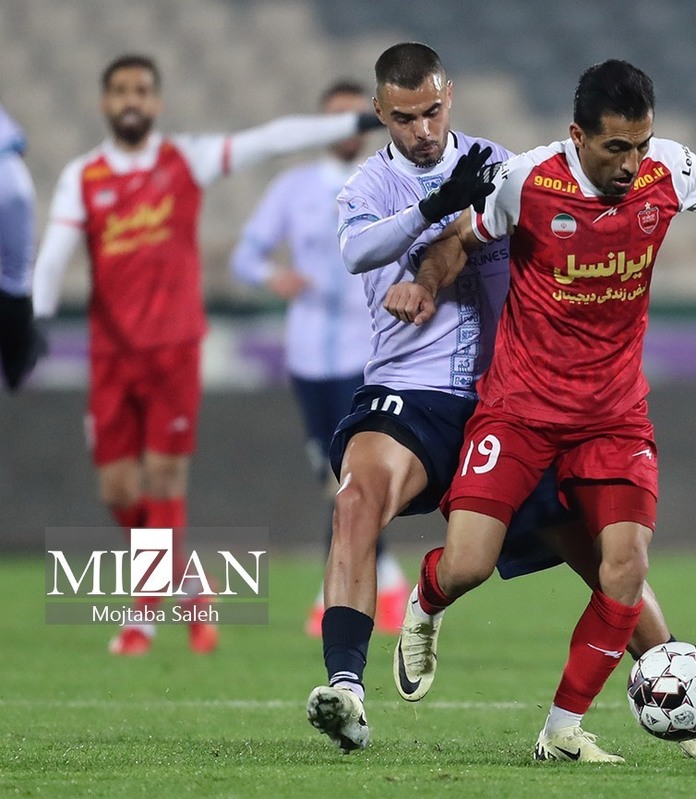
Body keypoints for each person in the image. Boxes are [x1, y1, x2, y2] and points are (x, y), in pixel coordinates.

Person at [304, 43, 696, 762]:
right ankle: (346, 688)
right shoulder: (366, 187)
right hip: (412, 390)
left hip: (512, 399)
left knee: (611, 565)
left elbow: (553, 228)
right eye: (403, 118)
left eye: (432, 111)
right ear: (381, 114)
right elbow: (359, 253)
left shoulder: (505, 166)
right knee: (357, 499)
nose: (421, 130)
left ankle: (691, 708)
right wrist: (433, 219)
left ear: (449, 96)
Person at [30, 53, 386, 656]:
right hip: (110, 356)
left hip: (172, 350)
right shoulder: (82, 176)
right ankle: (192, 588)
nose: (131, 100)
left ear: (158, 101)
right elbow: (54, 255)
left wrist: (349, 124)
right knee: (119, 492)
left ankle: (141, 619)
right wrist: (32, 319)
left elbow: (270, 140)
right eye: (120, 91)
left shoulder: (185, 161)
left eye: (142, 89)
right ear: (104, 103)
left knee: (166, 480)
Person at [230, 79, 408, 638]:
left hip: (370, 356)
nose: (347, 129)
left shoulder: (389, 184)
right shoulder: (294, 188)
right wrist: (270, 274)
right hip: (308, 355)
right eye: (336, 118)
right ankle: (388, 577)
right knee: (330, 479)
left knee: (356, 481)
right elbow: (244, 254)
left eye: (356, 118)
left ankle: (333, 593)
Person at [0, 102, 42, 391]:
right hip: (11, 172)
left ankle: (19, 354)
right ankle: (19, 356)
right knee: (15, 280)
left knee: (15, 280)